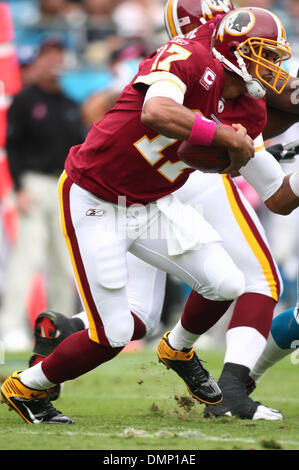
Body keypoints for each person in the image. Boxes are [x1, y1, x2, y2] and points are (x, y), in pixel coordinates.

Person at [1, 6, 299, 425]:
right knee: (116, 333)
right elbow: (155, 112)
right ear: (236, 50)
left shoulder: (249, 111)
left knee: (227, 282)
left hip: (152, 204)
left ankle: (177, 347)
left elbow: (277, 198)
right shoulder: (188, 57)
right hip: (95, 198)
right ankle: (26, 387)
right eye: (265, 54)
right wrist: (222, 135)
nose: (274, 67)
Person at [0, 39, 85, 351]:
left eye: (59, 56)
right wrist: (19, 187)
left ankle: (58, 328)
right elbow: (13, 147)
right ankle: (9, 326)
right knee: (28, 257)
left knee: (64, 263)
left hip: (63, 186)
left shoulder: (69, 104)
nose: (54, 62)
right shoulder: (25, 100)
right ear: (38, 62)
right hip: (34, 185)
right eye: (49, 56)